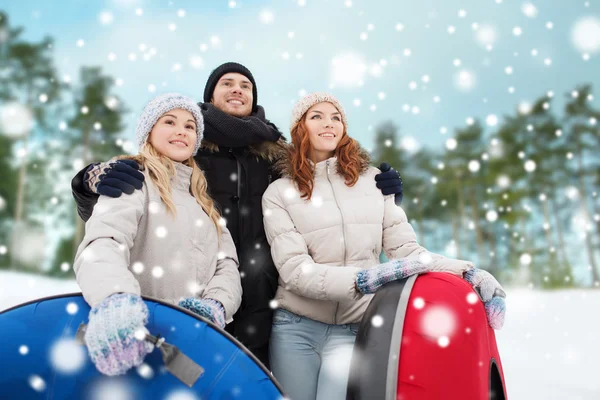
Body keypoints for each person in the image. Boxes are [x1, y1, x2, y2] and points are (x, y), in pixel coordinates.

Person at [70, 62, 404, 368]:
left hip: (262, 298)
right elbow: (111, 226)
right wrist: (89, 182)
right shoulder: (186, 151)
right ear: (210, 97)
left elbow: (322, 197)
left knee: (244, 383)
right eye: (226, 83)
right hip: (188, 295)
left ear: (254, 98)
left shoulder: (278, 157)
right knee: (192, 377)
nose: (237, 89)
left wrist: (375, 191)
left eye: (245, 85)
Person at [261, 92, 506, 400]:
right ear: (301, 128)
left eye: (336, 117)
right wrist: (361, 280)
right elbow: (295, 270)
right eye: (317, 116)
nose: (329, 123)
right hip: (295, 328)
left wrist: (467, 272)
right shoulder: (278, 192)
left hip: (354, 328)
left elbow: (407, 251)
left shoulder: (374, 182)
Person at [73, 93, 242, 376]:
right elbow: (103, 242)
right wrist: (114, 299)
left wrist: (216, 305)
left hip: (185, 350)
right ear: (149, 132)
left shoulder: (205, 204)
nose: (181, 131)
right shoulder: (132, 180)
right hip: (131, 336)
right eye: (169, 121)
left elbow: (228, 266)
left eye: (190, 126)